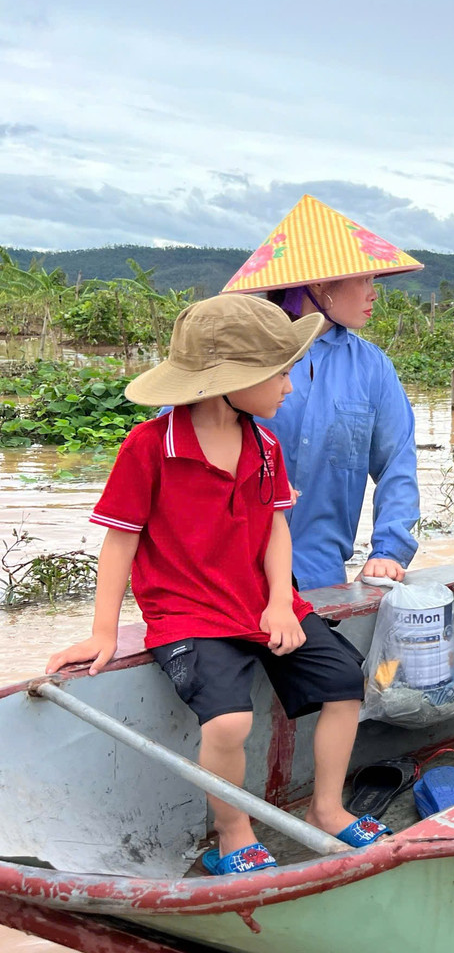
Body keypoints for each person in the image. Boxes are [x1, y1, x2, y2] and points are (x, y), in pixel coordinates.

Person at [46, 295, 388, 876]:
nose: (288, 385)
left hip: (263, 603)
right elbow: (120, 541)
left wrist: (281, 601)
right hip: (189, 615)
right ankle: (233, 833)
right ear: (229, 382)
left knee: (344, 681)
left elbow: (277, 527)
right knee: (229, 722)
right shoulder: (150, 447)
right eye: (278, 372)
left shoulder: (265, 445)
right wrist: (104, 632)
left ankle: (327, 809)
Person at [220, 195, 422, 590]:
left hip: (321, 577)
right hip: (230, 572)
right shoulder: (240, 353)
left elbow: (397, 464)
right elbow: (185, 452)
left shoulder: (372, 368)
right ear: (319, 284)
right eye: (364, 278)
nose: (373, 292)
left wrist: (387, 552)